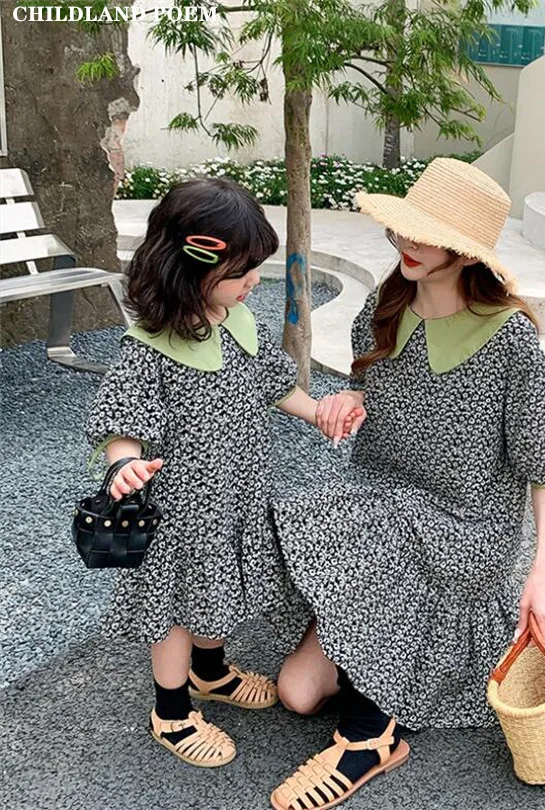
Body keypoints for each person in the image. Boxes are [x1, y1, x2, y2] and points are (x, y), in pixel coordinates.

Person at [267, 158, 545, 809]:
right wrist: (354, 398)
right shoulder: (387, 306)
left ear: (465, 255)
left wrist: (543, 569)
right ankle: (373, 648)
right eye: (405, 228)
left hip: (467, 526)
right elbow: (368, 380)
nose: (407, 244)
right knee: (297, 693)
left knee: (386, 527)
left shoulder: (511, 343)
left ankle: (371, 738)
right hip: (383, 502)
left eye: (426, 235)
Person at [85, 178, 360, 768]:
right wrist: (124, 466)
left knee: (218, 589)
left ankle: (210, 673)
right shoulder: (151, 347)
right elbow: (121, 418)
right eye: (242, 273)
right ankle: (172, 710)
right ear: (191, 269)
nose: (253, 282)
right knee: (178, 607)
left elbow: (271, 383)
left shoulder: (234, 320)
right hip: (181, 515)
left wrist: (317, 413)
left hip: (233, 497)